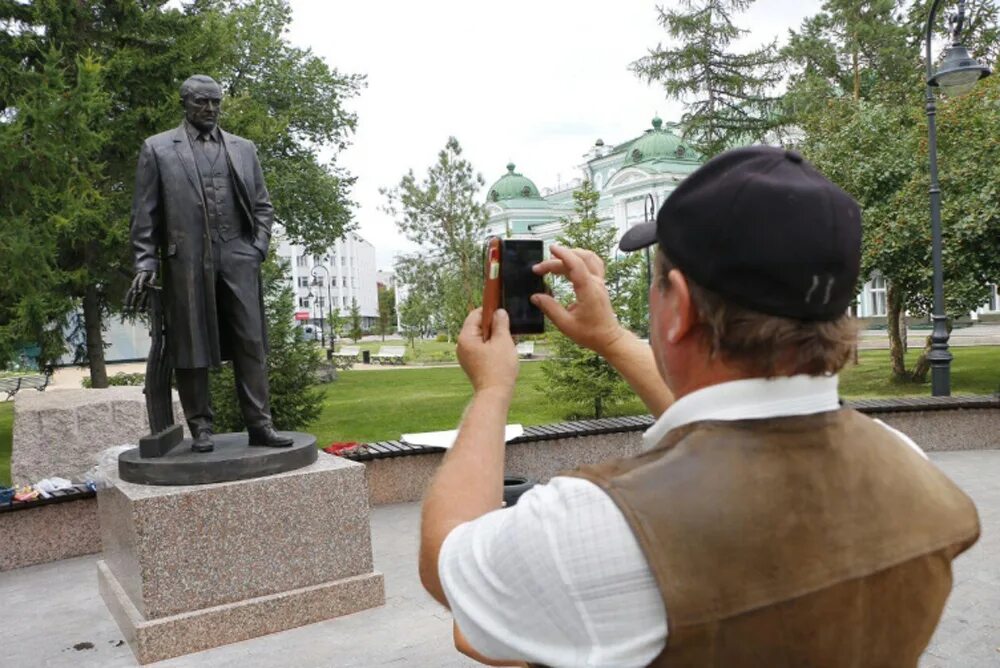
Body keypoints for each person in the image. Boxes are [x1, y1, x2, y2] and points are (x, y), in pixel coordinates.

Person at [419, 146, 980, 667]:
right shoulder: (906, 464)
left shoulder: (600, 526)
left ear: (679, 307)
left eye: (659, 283)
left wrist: (492, 392)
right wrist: (612, 337)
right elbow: (734, 431)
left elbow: (448, 564)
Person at [127, 74, 293, 452]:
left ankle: (260, 426)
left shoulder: (243, 148)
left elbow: (263, 205)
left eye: (216, 101)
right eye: (202, 102)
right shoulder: (158, 149)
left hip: (238, 256)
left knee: (251, 342)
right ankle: (201, 427)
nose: (211, 108)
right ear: (185, 103)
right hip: (186, 262)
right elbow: (144, 215)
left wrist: (258, 248)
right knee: (191, 343)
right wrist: (145, 262)